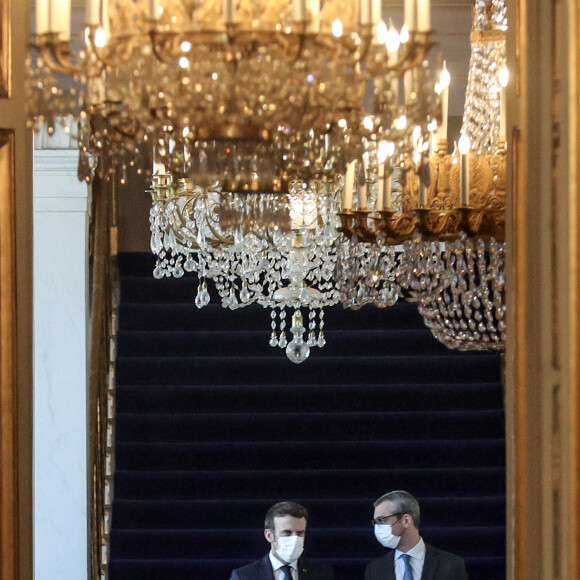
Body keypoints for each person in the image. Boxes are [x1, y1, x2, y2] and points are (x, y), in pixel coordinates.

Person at [365, 490, 468, 580]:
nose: (377, 527)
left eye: (382, 520)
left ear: (406, 520)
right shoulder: (374, 569)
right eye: (375, 522)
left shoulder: (451, 564)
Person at [229, 501, 335, 580]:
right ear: (269, 535)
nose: (294, 539)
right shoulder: (244, 576)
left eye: (300, 533)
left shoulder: (322, 573)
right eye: (287, 533)